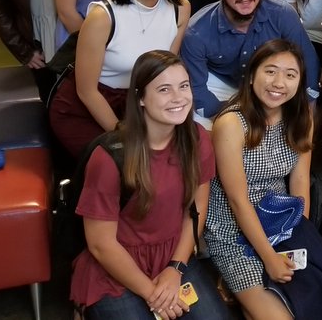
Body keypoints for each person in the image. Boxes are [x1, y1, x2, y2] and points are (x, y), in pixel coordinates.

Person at [69, 50, 227, 320]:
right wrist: (154, 294)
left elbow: (197, 210)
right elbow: (101, 244)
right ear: (141, 98)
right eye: (164, 89)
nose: (178, 98)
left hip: (173, 255)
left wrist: (175, 268)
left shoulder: (197, 139)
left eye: (184, 86)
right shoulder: (110, 157)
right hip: (116, 265)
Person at [206, 39, 322, 319]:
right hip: (233, 231)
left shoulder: (301, 120)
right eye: (270, 71)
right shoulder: (231, 124)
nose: (278, 82)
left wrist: (299, 237)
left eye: (290, 74)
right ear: (251, 77)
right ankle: (236, 285)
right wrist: (270, 258)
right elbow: (237, 200)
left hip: (280, 219)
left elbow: (299, 185)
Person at [49, 0, 191, 158]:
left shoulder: (180, 8)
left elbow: (163, 74)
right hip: (88, 108)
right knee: (123, 164)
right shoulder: (102, 17)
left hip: (140, 104)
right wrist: (124, 135)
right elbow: (86, 91)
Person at [182, 0, 321, 128]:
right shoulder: (196, 31)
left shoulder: (282, 14)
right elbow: (197, 89)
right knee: (199, 123)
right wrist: (234, 120)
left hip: (272, 81)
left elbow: (307, 61)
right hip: (222, 86)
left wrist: (306, 107)